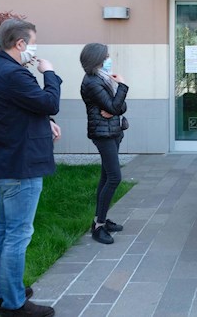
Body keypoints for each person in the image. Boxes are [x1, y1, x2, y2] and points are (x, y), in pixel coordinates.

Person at [0, 18, 61, 317]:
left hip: (1, 163)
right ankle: (13, 305)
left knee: (3, 231)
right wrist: (49, 73)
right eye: (33, 43)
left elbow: (18, 109)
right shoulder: (14, 73)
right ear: (20, 43)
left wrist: (45, 122)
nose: (35, 49)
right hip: (18, 166)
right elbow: (49, 102)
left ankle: (6, 292)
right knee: (17, 235)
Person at [80, 43, 129, 245]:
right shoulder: (92, 82)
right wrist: (123, 86)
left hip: (112, 132)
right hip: (103, 134)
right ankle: (99, 225)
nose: (109, 59)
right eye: (106, 56)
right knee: (114, 177)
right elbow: (115, 106)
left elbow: (121, 107)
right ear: (97, 59)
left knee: (106, 176)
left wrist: (114, 107)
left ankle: (100, 219)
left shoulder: (104, 79)